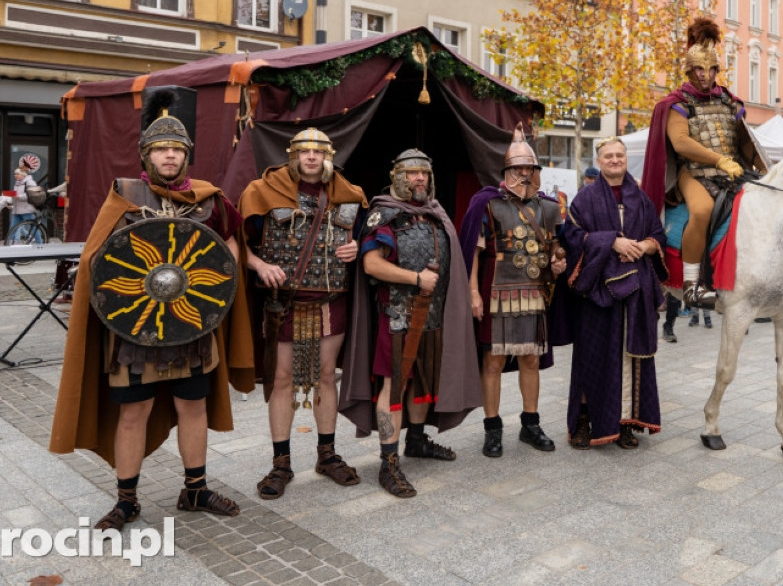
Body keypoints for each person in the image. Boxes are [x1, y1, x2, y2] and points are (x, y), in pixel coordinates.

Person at [49, 87, 254, 530]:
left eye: (176, 150)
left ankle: (195, 489)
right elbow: (96, 260)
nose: (168, 156)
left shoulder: (209, 199)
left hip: (192, 325)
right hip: (135, 328)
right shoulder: (124, 194)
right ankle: (127, 500)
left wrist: (216, 284)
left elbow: (231, 244)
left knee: (192, 407)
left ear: (187, 156)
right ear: (146, 155)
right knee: (133, 410)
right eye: (160, 149)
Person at [340, 149, 481, 498]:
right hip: (399, 317)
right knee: (395, 387)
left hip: (434, 315)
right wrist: (416, 279)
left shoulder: (435, 214)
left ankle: (416, 441)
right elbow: (372, 265)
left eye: (424, 173)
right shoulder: (385, 215)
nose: (420, 179)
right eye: (412, 173)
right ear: (398, 177)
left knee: (422, 384)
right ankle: (389, 461)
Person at [238, 128, 367, 498]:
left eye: (319, 152)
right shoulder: (261, 192)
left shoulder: (349, 194)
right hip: (284, 304)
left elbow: (363, 241)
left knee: (326, 376)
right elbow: (237, 244)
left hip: (331, 301)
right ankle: (281, 463)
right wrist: (259, 265)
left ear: (329, 156)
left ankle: (326, 455)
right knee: (282, 380)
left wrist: (356, 247)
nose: (311, 158)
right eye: (304, 152)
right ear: (292, 155)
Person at [641, 17, 764, 309]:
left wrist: (773, 172)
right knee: (702, 210)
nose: (706, 75)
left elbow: (745, 143)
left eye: (711, 69)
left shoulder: (730, 102)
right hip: (692, 173)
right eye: (700, 68)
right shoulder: (678, 104)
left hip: (732, 172)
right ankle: (692, 285)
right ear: (689, 70)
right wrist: (720, 159)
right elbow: (681, 142)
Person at [460, 124, 568, 458]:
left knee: (531, 359)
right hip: (495, 292)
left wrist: (557, 264)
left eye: (529, 168)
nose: (523, 173)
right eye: (517, 168)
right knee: (492, 362)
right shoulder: (487, 203)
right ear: (506, 171)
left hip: (534, 293)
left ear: (536, 171)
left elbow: (557, 249)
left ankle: (530, 424)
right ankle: (492, 429)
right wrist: (473, 292)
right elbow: (474, 252)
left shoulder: (549, 208)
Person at [563, 137, 666, 449]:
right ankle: (584, 422)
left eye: (619, 155)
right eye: (608, 156)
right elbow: (573, 236)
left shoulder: (642, 199)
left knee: (628, 357)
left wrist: (644, 246)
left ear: (625, 159)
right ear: (599, 159)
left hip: (635, 291)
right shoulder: (584, 198)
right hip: (598, 291)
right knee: (590, 356)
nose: (614, 160)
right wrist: (612, 242)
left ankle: (625, 422)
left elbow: (656, 235)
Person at [10, 166, 44, 243]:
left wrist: (19, 197)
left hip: (26, 210)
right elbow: (16, 195)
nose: (15, 175)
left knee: (33, 228)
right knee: (12, 229)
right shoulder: (17, 183)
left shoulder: (30, 182)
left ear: (23, 174)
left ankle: (40, 244)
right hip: (17, 210)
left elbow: (31, 195)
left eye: (17, 174)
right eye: (14, 174)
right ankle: (9, 245)